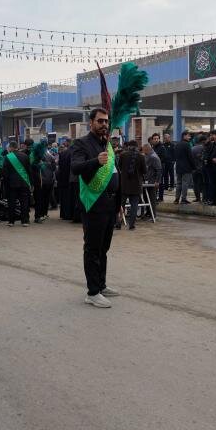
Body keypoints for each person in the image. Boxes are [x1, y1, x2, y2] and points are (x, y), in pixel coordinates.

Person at [70, 107, 123, 307]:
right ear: (90, 122)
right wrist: (95, 161)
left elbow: (115, 174)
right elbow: (75, 168)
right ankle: (92, 292)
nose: (104, 125)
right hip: (93, 205)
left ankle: (101, 285)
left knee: (104, 248)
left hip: (110, 204)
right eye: (100, 121)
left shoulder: (107, 144)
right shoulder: (81, 144)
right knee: (92, 248)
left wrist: (119, 204)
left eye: (106, 121)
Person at [0, 141, 33, 226]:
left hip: (11, 184)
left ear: (11, 147)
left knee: (11, 203)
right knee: (24, 202)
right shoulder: (25, 156)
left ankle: (11, 221)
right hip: (24, 183)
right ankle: (25, 221)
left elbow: (4, 172)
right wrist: (31, 183)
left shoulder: (7, 157)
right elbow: (29, 171)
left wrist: (2, 182)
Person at [118, 140, 146, 230]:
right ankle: (132, 225)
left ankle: (118, 224)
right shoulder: (141, 157)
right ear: (137, 147)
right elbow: (145, 171)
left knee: (120, 205)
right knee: (134, 206)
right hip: (136, 185)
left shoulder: (122, 155)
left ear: (128, 147)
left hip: (124, 185)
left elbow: (119, 168)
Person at [34, 144, 56, 224]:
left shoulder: (37, 156)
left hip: (41, 180)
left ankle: (39, 214)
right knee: (47, 197)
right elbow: (54, 168)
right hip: (49, 179)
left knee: (40, 198)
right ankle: (44, 213)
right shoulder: (51, 155)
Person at [173, 131, 194, 204]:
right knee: (185, 183)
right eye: (188, 136)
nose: (190, 137)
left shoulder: (177, 144)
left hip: (178, 167)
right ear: (184, 136)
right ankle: (183, 199)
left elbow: (175, 156)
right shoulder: (187, 145)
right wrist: (194, 167)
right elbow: (190, 157)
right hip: (186, 167)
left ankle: (176, 199)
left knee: (178, 183)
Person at [142, 142, 162, 220]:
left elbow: (159, 170)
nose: (143, 152)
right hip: (147, 181)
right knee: (146, 198)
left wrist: (157, 181)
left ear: (147, 149)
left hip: (153, 182)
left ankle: (153, 214)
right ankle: (148, 213)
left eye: (144, 150)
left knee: (152, 199)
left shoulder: (154, 157)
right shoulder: (147, 155)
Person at [57, 140, 73, 220]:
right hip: (71, 179)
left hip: (62, 178)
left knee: (63, 198)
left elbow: (60, 167)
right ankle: (69, 214)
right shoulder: (74, 153)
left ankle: (63, 214)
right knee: (70, 198)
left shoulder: (63, 153)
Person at [191, 133, 207, 204]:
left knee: (195, 184)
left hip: (194, 169)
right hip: (202, 169)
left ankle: (197, 198)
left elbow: (190, 159)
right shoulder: (204, 148)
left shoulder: (192, 149)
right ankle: (204, 198)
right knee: (203, 184)